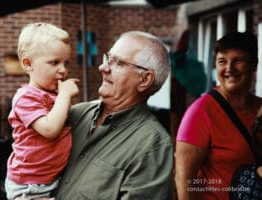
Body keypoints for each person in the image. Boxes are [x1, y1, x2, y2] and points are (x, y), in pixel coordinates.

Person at [54, 31, 173, 200]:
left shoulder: (152, 144)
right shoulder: (74, 114)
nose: (103, 67)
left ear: (145, 80)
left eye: (119, 63)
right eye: (107, 58)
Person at [175, 31, 262, 200]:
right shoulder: (200, 112)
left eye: (237, 60)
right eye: (222, 61)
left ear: (254, 65)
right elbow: (184, 180)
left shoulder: (260, 108)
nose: (229, 68)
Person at [5, 22, 79, 200]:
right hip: (30, 185)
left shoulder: (55, 95)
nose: (63, 70)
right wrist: (65, 96)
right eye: (54, 62)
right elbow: (50, 129)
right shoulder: (26, 97)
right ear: (28, 64)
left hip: (52, 179)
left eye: (65, 62)